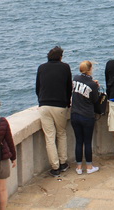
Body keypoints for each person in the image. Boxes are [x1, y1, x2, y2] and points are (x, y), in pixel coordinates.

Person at [35, 45, 72, 176]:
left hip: (44, 105)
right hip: (60, 105)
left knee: (49, 137)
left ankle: (55, 167)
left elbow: (37, 87)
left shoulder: (41, 68)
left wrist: (41, 101)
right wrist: (67, 103)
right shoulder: (65, 67)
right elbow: (68, 88)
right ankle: (63, 163)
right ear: (60, 57)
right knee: (61, 133)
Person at [71, 60, 100, 175]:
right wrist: (96, 86)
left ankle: (78, 167)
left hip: (74, 114)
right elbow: (95, 100)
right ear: (90, 69)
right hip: (87, 116)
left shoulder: (75, 78)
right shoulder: (92, 84)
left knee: (78, 141)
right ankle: (89, 166)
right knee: (87, 142)